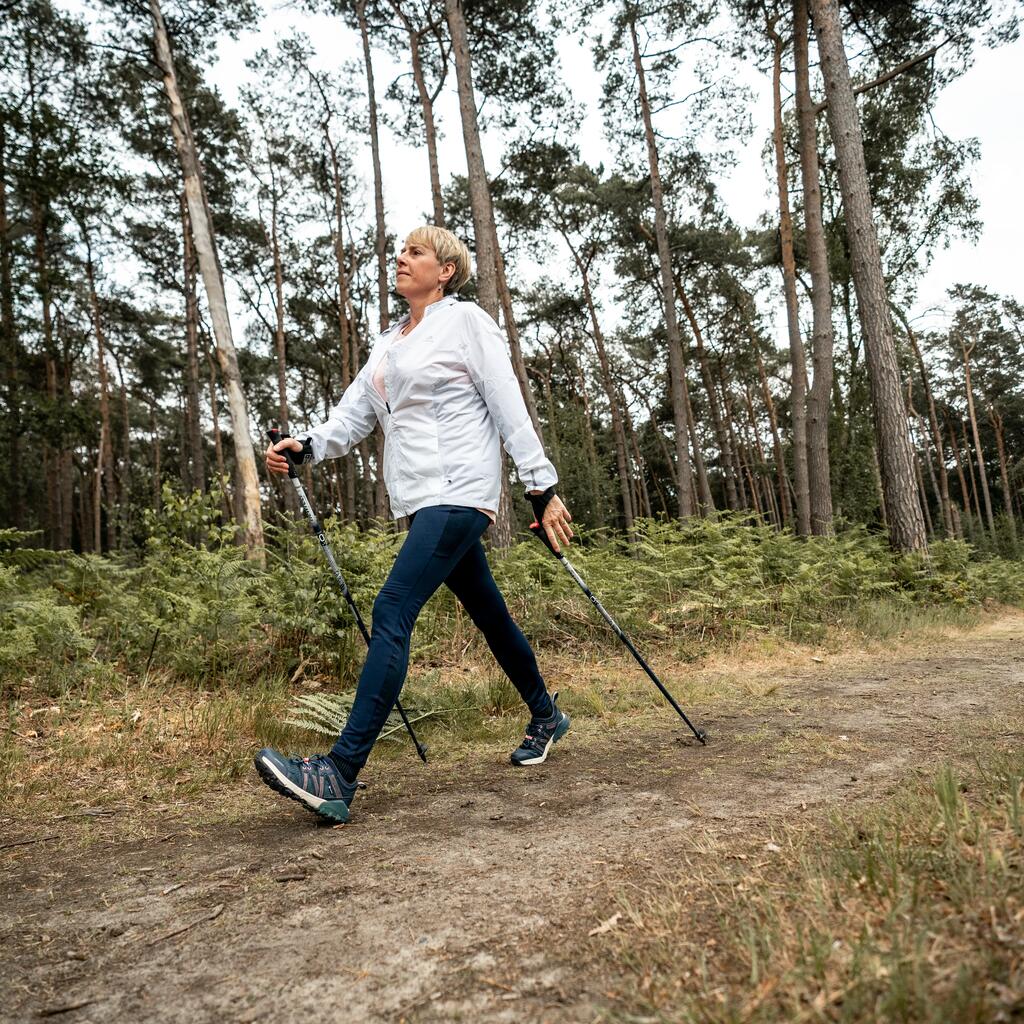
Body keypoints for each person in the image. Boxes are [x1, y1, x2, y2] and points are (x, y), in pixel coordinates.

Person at [255, 225, 575, 824]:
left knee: (392, 608)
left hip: (460, 492)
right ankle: (545, 712)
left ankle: (338, 771)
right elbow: (351, 419)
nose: (401, 259)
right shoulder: (388, 345)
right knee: (489, 612)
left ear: (445, 270)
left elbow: (508, 402)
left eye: (416, 252)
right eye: (400, 252)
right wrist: (306, 447)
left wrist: (541, 486)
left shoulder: (466, 324)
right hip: (420, 501)